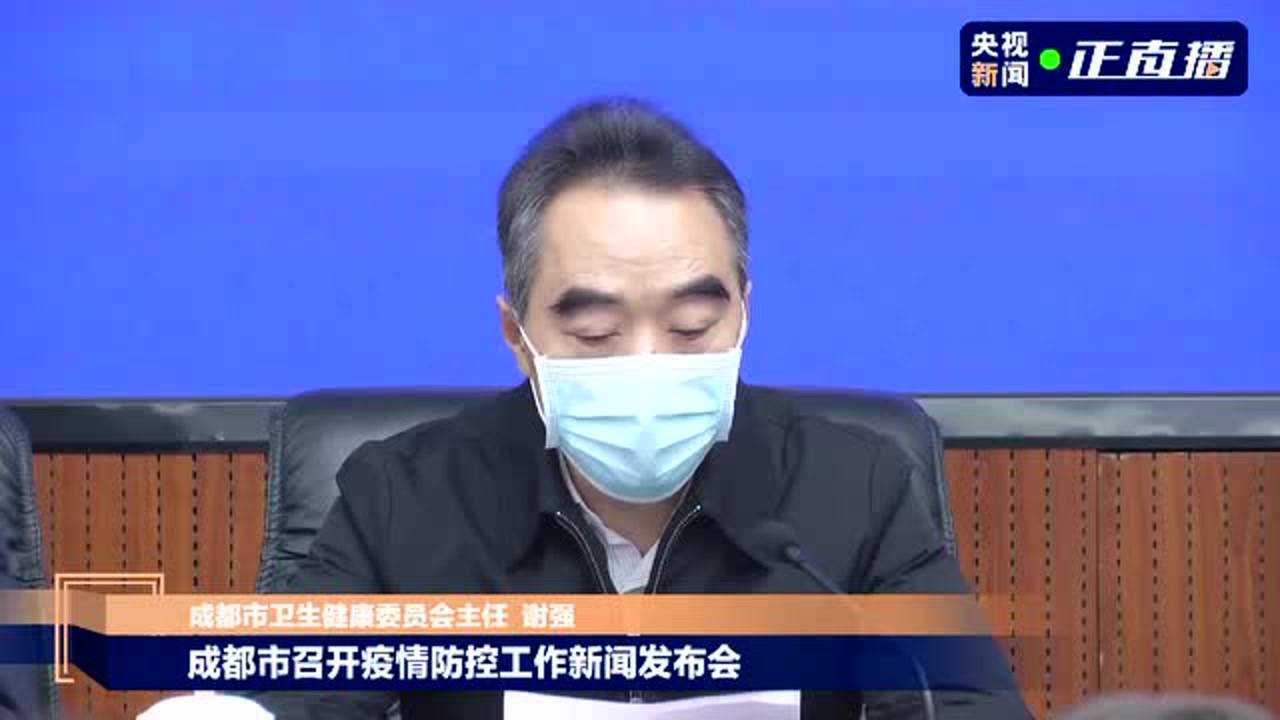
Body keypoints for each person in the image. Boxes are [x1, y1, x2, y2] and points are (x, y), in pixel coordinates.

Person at [257, 98, 1029, 719]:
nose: (648, 362)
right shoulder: (405, 497)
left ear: (744, 314)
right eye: (596, 333)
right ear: (518, 337)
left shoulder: (854, 489)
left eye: (691, 327)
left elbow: (965, 704)